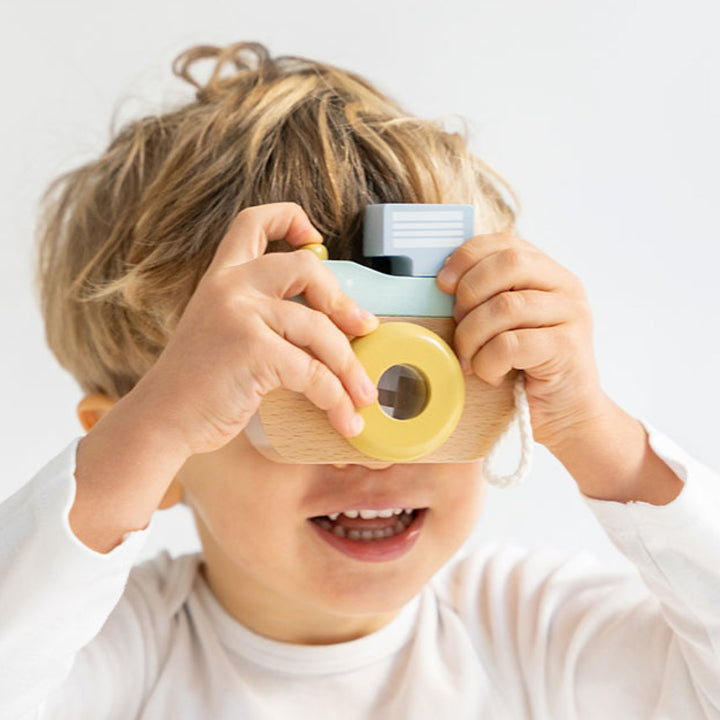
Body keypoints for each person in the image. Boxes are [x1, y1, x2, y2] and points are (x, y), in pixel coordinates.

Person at [1, 41, 718, 720]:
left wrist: (598, 436)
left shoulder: (535, 629)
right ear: (153, 464)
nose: (376, 446)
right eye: (291, 388)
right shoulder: (121, 657)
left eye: (415, 382)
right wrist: (150, 430)